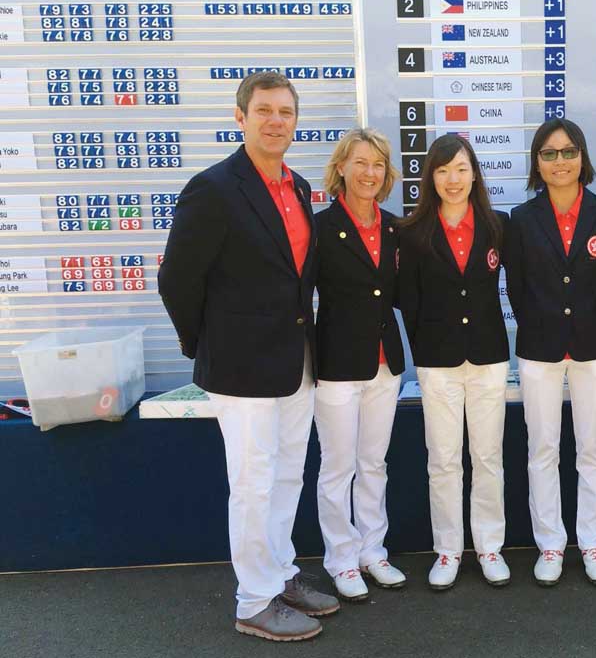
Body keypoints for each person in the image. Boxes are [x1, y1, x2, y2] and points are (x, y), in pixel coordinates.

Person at [158, 72, 338, 641]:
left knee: (288, 476)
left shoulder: (300, 186)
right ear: (240, 117)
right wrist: (204, 344)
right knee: (254, 483)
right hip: (240, 367)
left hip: (294, 361)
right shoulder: (213, 188)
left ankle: (279, 573)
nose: (275, 121)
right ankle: (253, 599)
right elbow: (176, 280)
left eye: (285, 111)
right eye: (263, 110)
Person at [504, 118, 596, 586]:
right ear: (538, 162)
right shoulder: (521, 219)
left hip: (595, 349)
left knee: (593, 448)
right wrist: (541, 325)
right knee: (543, 449)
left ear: (583, 157)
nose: (560, 161)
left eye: (569, 152)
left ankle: (594, 540)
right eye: (550, 153)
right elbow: (516, 287)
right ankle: (551, 544)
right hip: (540, 349)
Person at [397, 134, 511, 590]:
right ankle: (447, 549)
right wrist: (427, 345)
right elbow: (408, 299)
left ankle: (489, 547)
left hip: (487, 356)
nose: (453, 179)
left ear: (475, 173)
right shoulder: (412, 231)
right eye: (443, 170)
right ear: (431, 177)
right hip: (438, 359)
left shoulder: (498, 225)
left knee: (487, 455)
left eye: (461, 168)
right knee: (443, 458)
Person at [313, 128, 407, 602]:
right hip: (337, 364)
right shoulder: (320, 228)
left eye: (377, 165)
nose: (369, 173)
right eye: (360, 163)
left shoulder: (395, 228)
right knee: (338, 467)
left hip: (385, 364)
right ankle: (342, 559)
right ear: (342, 169)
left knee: (374, 463)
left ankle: (373, 550)